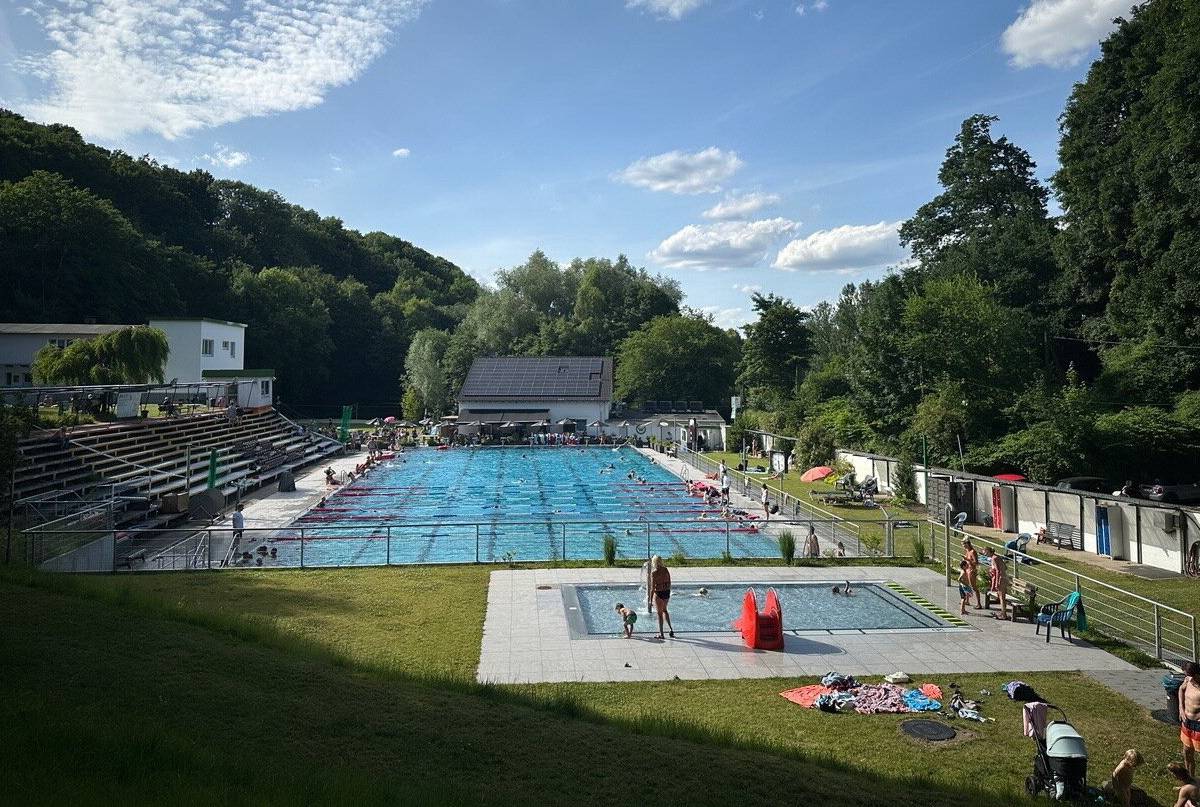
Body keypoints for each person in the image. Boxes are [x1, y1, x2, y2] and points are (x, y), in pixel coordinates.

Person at [1181, 661, 1200, 777]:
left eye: (1188, 675)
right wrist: (1181, 708)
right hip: (1187, 723)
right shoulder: (1188, 680)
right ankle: (1190, 781)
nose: (1186, 678)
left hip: (1198, 726)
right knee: (1187, 753)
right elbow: (1181, 689)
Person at [650, 555, 674, 639]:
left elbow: (652, 588)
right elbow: (669, 582)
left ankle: (661, 634)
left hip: (659, 593)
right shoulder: (665, 569)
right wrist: (667, 591)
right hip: (666, 593)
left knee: (659, 614)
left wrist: (650, 600)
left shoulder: (654, 573)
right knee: (665, 611)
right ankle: (671, 629)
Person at [983, 547, 1009, 620]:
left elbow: (998, 571)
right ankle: (1003, 612)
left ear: (989, 551)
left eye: (985, 552)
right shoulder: (997, 557)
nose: (985, 554)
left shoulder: (994, 558)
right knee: (1001, 596)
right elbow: (1005, 568)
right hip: (1004, 578)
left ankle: (1004, 614)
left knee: (1002, 597)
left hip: (1001, 579)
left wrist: (997, 582)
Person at [961, 538, 982, 609]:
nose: (963, 546)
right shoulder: (967, 551)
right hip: (967, 570)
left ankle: (979, 603)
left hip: (972, 570)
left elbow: (976, 562)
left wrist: (967, 559)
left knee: (974, 587)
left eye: (964, 545)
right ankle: (967, 600)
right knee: (966, 585)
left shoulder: (973, 552)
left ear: (968, 544)